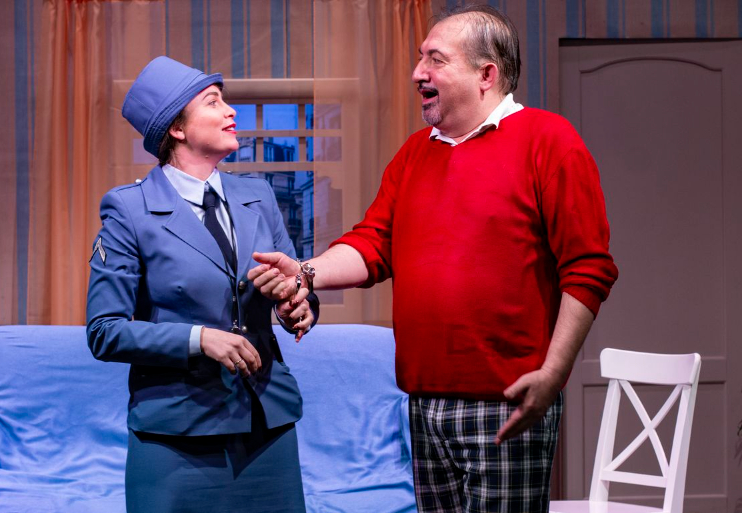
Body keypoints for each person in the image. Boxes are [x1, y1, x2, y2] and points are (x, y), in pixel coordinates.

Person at [247, 5, 618, 513]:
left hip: (506, 401)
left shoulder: (549, 141)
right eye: (420, 58)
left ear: (486, 74)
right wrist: (306, 273)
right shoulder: (415, 153)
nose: (417, 72)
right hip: (423, 403)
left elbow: (588, 268)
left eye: (435, 60)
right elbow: (373, 244)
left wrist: (554, 373)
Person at [86, 56, 318, 513]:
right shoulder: (128, 210)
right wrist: (199, 339)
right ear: (176, 128)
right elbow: (104, 331)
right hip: (175, 433)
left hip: (266, 423)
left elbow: (294, 286)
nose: (230, 111)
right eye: (213, 102)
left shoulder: (259, 195)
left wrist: (296, 305)